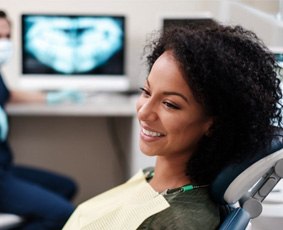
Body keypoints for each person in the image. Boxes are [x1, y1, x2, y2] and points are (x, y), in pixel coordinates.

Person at [63, 24, 283, 230]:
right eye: (146, 91)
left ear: (215, 123)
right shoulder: (151, 177)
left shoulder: (178, 221)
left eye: (169, 104)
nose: (143, 112)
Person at [0, 10, 81, 229]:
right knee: (64, 214)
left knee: (66, 187)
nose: (4, 42)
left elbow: (9, 94)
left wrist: (52, 97)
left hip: (5, 168)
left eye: (7, 36)